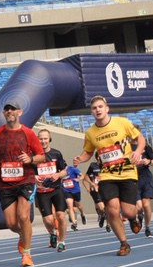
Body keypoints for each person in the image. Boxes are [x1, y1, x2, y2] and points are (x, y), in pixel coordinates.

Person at [69, 95, 144, 256]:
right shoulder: (90, 133)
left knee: (128, 211)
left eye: (100, 107)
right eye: (94, 108)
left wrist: (137, 152)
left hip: (127, 172)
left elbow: (140, 139)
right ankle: (124, 243)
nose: (98, 110)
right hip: (107, 175)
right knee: (112, 210)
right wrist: (80, 159)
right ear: (91, 112)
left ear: (107, 108)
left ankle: (133, 218)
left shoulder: (122, 122)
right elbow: (88, 152)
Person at [0, 102, 45, 266]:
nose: (9, 111)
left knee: (23, 216)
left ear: (19, 112)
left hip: (25, 179)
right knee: (12, 223)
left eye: (12, 109)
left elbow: (41, 156)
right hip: (4, 183)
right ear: (4, 113)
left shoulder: (28, 133)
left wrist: (30, 159)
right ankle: (23, 235)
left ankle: (27, 254)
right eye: (6, 109)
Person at [34, 128, 68, 252]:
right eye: (40, 139)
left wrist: (58, 175)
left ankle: (62, 241)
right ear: (37, 140)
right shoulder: (33, 156)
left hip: (56, 189)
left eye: (45, 138)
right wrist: (34, 177)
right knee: (48, 220)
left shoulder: (56, 154)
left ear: (50, 139)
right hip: (42, 192)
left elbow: (64, 170)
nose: (43, 141)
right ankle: (52, 233)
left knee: (61, 215)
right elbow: (28, 173)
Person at [132, 134, 153, 238]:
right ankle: (139, 216)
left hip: (146, 178)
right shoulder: (126, 148)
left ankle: (147, 228)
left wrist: (149, 161)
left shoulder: (146, 147)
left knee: (146, 205)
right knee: (139, 206)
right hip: (133, 179)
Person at [61, 163, 86, 231]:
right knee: (70, 206)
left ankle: (82, 214)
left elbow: (82, 176)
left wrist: (79, 179)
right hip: (66, 191)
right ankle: (74, 223)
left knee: (79, 206)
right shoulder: (59, 172)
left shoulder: (73, 169)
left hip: (75, 190)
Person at [83, 160, 107, 229]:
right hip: (95, 190)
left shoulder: (107, 164)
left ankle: (108, 224)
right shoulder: (92, 166)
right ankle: (102, 214)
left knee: (107, 206)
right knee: (100, 206)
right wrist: (91, 185)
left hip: (106, 188)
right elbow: (85, 178)